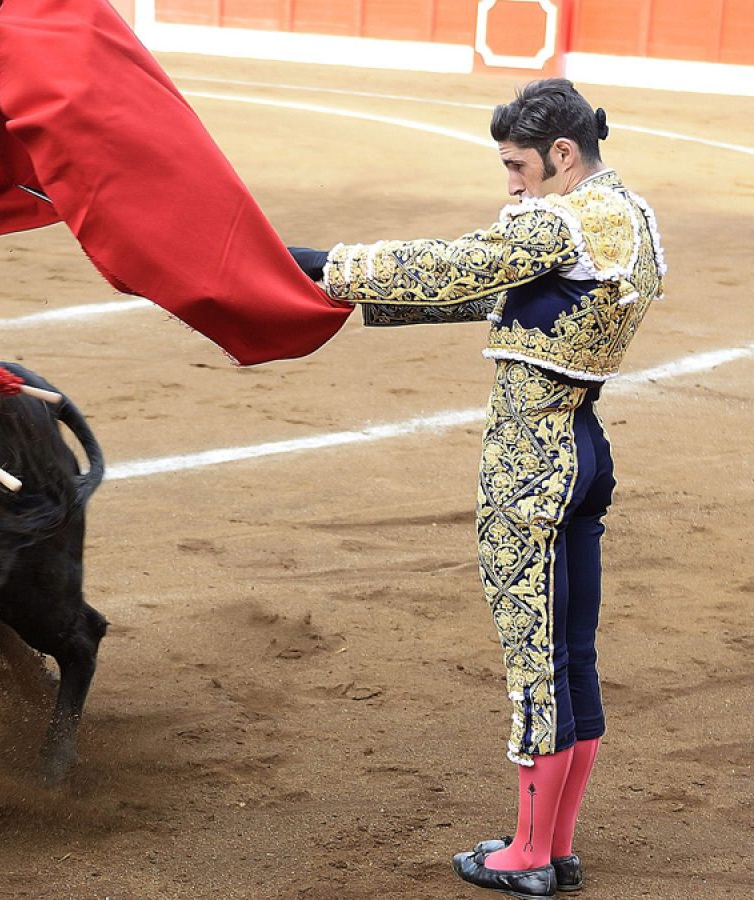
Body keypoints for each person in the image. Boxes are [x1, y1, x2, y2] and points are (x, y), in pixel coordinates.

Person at [291, 79, 666, 899]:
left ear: (562, 156)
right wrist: (355, 299)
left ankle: (528, 854)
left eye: (519, 165)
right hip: (587, 446)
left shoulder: (554, 220)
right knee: (573, 654)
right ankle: (554, 843)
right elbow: (508, 296)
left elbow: (456, 264)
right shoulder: (628, 218)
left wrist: (325, 267)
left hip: (531, 459)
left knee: (534, 660)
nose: (512, 184)